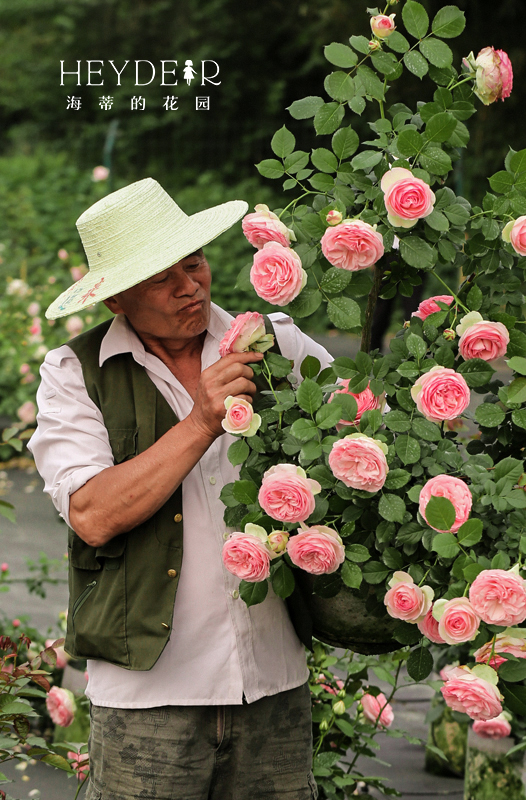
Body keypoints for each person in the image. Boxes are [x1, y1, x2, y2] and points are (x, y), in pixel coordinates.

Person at [29, 177, 329, 799]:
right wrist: (200, 421)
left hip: (273, 681)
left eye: (194, 265)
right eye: (164, 280)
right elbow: (91, 513)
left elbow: (361, 424)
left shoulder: (277, 344)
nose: (190, 287)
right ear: (116, 301)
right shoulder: (74, 375)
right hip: (148, 699)